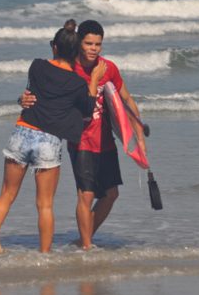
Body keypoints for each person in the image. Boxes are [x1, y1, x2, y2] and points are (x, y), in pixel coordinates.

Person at [21, 20, 146, 250]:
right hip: (81, 141)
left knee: (111, 194)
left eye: (98, 44)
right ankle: (87, 246)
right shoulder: (71, 69)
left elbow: (126, 99)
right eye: (88, 43)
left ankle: (84, 239)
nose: (93, 48)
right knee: (86, 195)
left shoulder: (109, 68)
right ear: (79, 43)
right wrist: (23, 100)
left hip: (106, 140)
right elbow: (44, 95)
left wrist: (138, 132)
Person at [0, 20, 106, 254]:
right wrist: (93, 80)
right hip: (48, 141)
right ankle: (45, 254)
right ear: (77, 52)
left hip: (22, 132)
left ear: (54, 47)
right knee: (44, 205)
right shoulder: (77, 84)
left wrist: (22, 100)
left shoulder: (37, 66)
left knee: (7, 193)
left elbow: (31, 94)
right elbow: (87, 111)